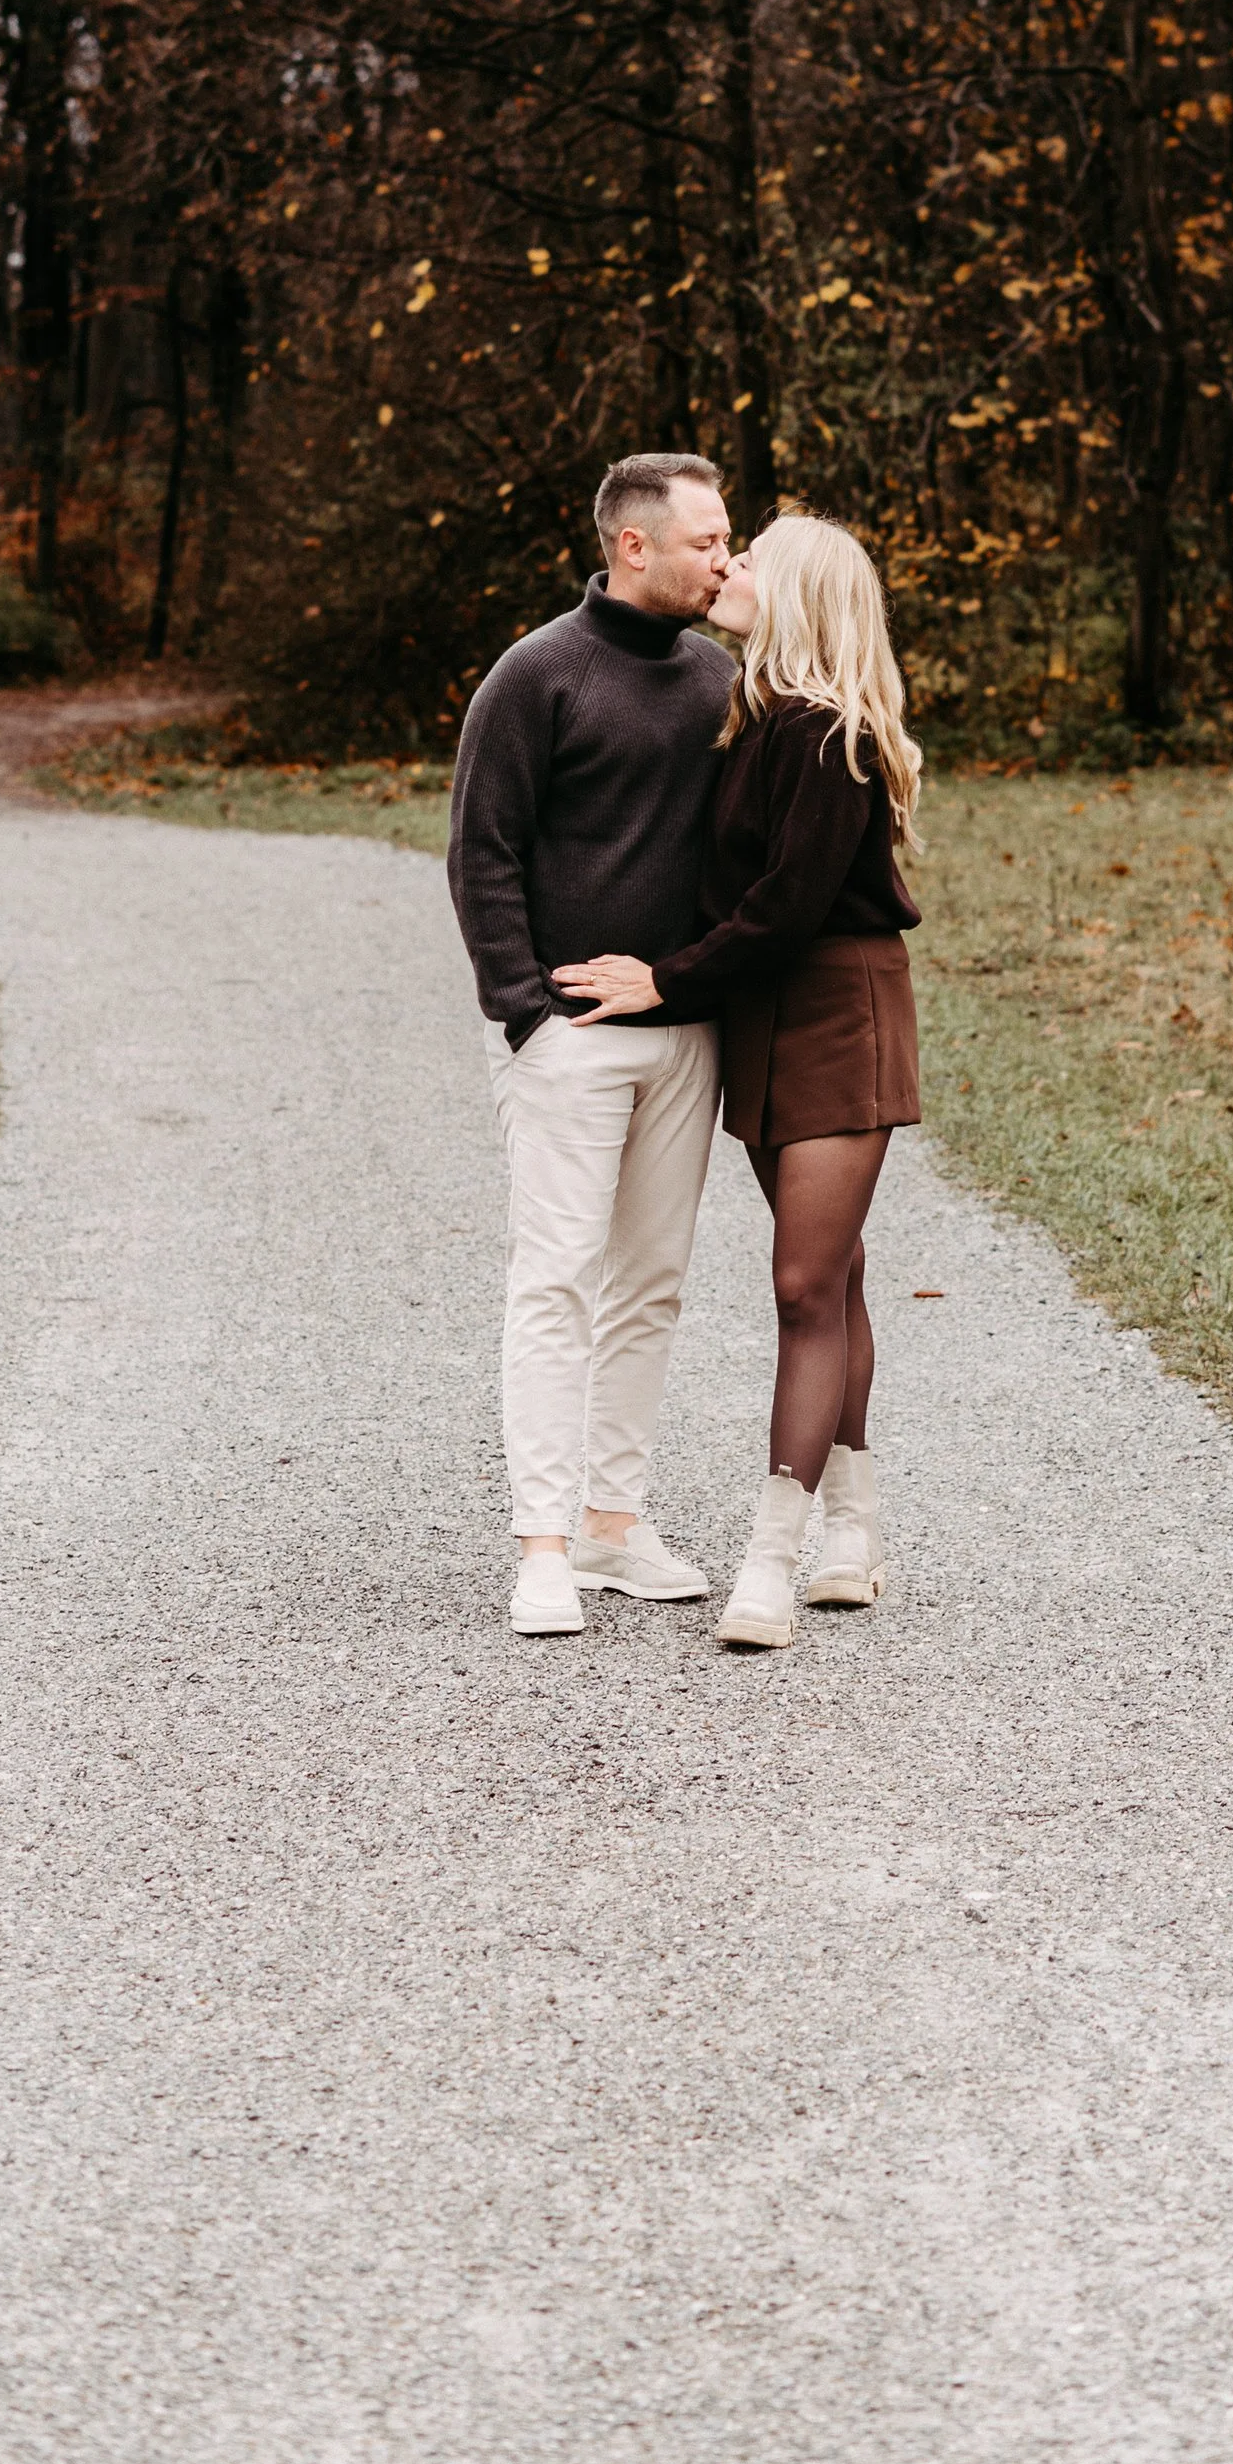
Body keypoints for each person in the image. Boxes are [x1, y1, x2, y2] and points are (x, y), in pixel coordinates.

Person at [554, 513, 921, 1653]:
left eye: (750, 556)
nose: (729, 567)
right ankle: (854, 1532)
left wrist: (659, 982)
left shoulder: (833, 738)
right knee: (836, 1277)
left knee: (803, 1285)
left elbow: (777, 915)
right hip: (759, 1011)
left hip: (833, 1011)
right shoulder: (756, 719)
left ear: (800, 593)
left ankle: (771, 1558)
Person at [445, 453, 737, 1637]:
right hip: (566, 1041)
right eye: (708, 542)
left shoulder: (720, 675)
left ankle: (617, 1525)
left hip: (687, 1034)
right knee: (556, 1282)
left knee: (652, 1286)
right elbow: (481, 850)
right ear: (634, 546)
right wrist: (526, 1012)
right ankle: (544, 1547)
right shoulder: (536, 674)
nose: (726, 560)